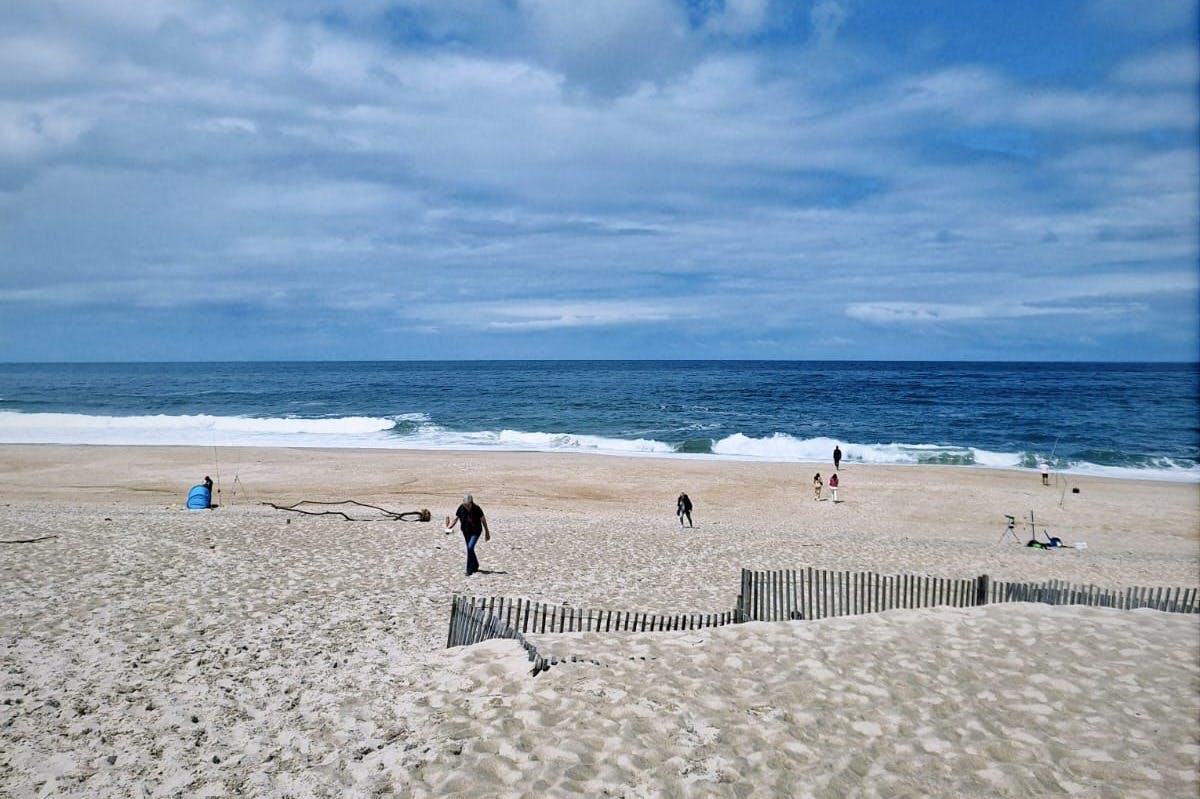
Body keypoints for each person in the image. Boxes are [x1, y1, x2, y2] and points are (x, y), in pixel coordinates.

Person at [446, 494, 490, 576]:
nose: (466, 506)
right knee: (470, 549)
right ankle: (475, 565)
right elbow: (455, 519)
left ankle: (469, 570)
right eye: (465, 504)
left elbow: (483, 520)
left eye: (468, 505)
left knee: (470, 548)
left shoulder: (477, 508)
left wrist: (487, 532)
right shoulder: (461, 508)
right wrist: (449, 527)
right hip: (466, 531)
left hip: (476, 531)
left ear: (471, 503)